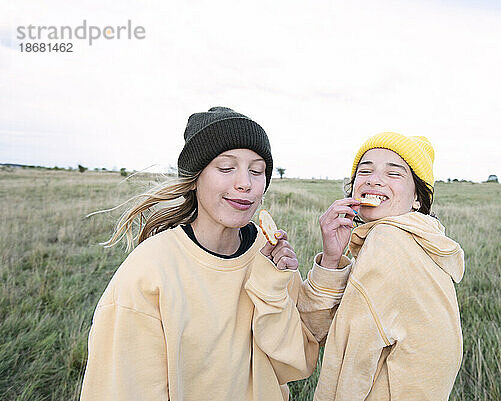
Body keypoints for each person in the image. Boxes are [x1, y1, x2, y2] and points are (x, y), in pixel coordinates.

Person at [80, 107, 348, 401]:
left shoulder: (268, 254)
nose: (245, 183)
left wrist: (323, 265)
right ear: (194, 178)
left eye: (256, 171)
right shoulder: (149, 270)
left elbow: (298, 359)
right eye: (226, 167)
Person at [312, 132, 465, 400]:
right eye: (365, 171)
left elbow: (349, 360)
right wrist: (331, 259)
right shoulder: (422, 240)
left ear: (418, 198)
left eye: (393, 174)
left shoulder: (387, 242)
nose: (374, 179)